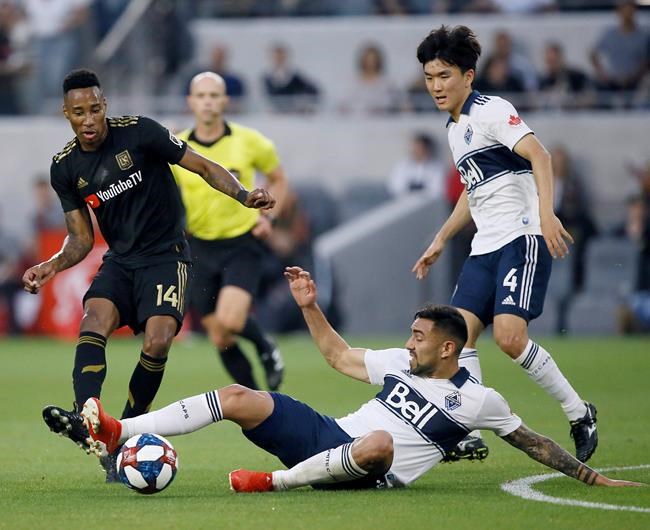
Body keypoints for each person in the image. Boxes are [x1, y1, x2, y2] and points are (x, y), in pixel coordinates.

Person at [80, 266, 642, 492]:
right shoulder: (400, 363)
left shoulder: (480, 400)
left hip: (370, 470)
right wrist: (310, 307)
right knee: (239, 396)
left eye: (418, 337)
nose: (409, 343)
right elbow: (339, 356)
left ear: (448, 348)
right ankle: (119, 429)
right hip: (329, 437)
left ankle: (270, 483)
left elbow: (532, 442)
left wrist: (591, 478)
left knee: (379, 443)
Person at [21, 69, 275, 480]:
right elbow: (81, 239)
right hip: (121, 261)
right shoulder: (65, 167)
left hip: (166, 256)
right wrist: (49, 266)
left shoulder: (140, 132)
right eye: (79, 113)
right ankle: (86, 417)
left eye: (95, 109)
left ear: (105, 106)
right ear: (66, 114)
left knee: (157, 341)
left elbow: (203, 166)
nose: (88, 120)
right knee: (93, 320)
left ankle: (122, 434)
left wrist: (244, 196)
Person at [411, 26, 598, 464]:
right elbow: (473, 190)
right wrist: (441, 238)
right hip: (485, 246)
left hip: (521, 237)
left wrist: (547, 214)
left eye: (444, 76)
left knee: (511, 340)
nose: (436, 86)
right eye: (430, 77)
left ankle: (579, 412)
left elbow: (541, 156)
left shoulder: (491, 110)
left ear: (468, 76)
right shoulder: (455, 128)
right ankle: (467, 429)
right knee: (457, 338)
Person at [171, 72, 288, 391]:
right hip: (199, 246)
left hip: (241, 242)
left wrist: (268, 218)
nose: (208, 102)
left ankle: (265, 345)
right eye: (201, 96)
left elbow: (278, 178)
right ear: (190, 102)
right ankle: (256, 399)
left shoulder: (249, 141)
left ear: (225, 101)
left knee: (232, 319)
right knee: (220, 335)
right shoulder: (178, 147)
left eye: (214, 95)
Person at [262, 43, 320, 113]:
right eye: (276, 57)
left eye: (281, 57)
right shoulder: (267, 78)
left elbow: (313, 91)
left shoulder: (295, 77)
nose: (278, 60)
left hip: (293, 113)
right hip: (275, 114)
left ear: (286, 57)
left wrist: (303, 103)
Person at [387, 133, 446, 199]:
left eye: (420, 148)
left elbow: (437, 190)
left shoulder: (437, 167)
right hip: (405, 200)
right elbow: (395, 186)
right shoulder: (402, 165)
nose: (417, 151)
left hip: (428, 202)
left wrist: (421, 192)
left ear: (427, 149)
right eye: (415, 148)